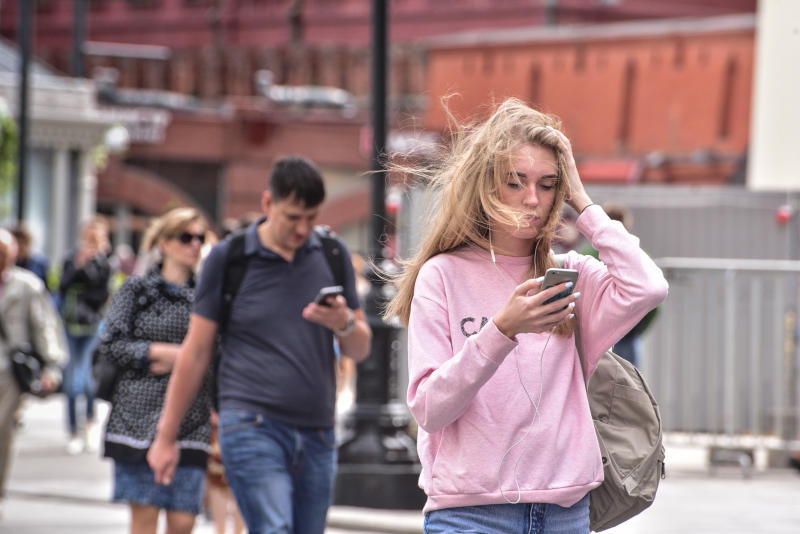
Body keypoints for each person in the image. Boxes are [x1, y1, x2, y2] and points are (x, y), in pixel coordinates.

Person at [383, 98, 668, 533]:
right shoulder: (442, 275)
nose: (532, 199)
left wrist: (584, 202)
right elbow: (429, 408)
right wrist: (501, 330)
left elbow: (649, 287)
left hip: (565, 512)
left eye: (548, 184)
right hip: (471, 514)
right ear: (485, 185)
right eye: (515, 182)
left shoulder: (572, 274)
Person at [147, 155, 372, 534]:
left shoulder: (332, 255)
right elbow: (197, 350)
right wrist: (166, 437)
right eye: (292, 217)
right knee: (273, 528)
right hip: (251, 423)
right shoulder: (229, 258)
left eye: (311, 217)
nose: (302, 229)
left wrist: (345, 323)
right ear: (268, 204)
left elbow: (360, 348)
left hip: (318, 431)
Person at [96, 207, 212, 534]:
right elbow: (112, 343)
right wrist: (159, 353)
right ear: (164, 243)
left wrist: (183, 360)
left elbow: (215, 351)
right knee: (144, 521)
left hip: (192, 420)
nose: (194, 245)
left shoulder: (207, 296)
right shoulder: (136, 290)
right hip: (136, 419)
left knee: (183, 521)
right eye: (186, 237)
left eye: (200, 238)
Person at [0, 229, 66, 515]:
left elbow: (45, 327)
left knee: (1, 430)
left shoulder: (27, 286)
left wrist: (52, 366)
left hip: (9, 371)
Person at [580, 202, 659, 367]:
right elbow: (656, 304)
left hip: (592, 332)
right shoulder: (639, 258)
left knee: (591, 385)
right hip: (627, 334)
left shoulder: (584, 256)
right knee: (626, 385)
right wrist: (636, 327)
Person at [58, 217, 113, 455]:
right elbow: (62, 286)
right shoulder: (71, 259)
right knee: (72, 379)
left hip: (92, 326)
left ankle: (89, 422)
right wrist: (78, 266)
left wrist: (89, 269)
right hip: (70, 324)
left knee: (88, 378)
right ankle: (72, 429)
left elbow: (101, 295)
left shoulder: (104, 264)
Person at [10, 223, 50, 287]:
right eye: (17, 243)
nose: (21, 247)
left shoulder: (39, 263)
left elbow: (45, 287)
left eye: (23, 242)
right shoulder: (7, 263)